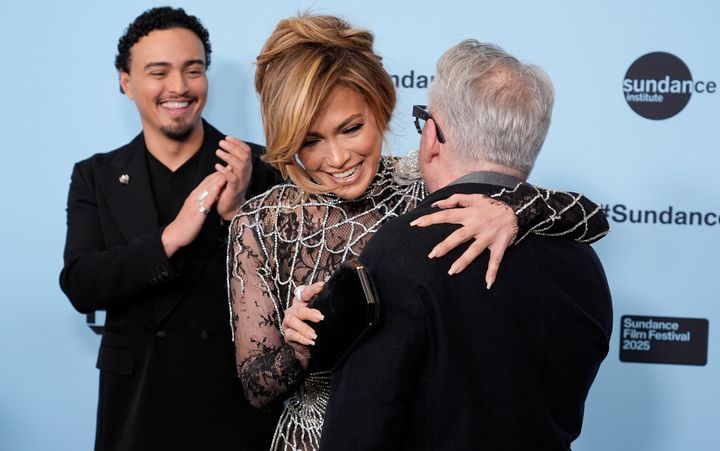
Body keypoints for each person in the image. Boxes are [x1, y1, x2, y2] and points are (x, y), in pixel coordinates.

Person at [228, 14, 610, 451]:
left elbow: (593, 217)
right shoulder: (262, 221)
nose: (336, 157)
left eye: (351, 129)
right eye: (310, 141)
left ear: (381, 106)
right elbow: (255, 389)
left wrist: (514, 211)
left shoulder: (428, 181)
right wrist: (298, 350)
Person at [59, 7, 282, 451]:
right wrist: (168, 240)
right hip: (137, 404)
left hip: (235, 405)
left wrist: (235, 216)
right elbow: (81, 283)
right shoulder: (96, 176)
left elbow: (285, 285)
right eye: (158, 72)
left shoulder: (259, 167)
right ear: (126, 81)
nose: (178, 87)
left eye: (192, 70)